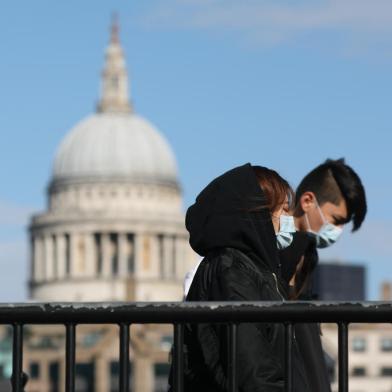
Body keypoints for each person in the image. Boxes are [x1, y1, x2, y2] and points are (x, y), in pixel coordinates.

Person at [169, 163, 311, 392]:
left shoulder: (257, 271)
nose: (289, 219)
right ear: (259, 212)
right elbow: (251, 368)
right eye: (284, 209)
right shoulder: (231, 270)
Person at [279, 158, 367, 392]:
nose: (336, 232)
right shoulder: (268, 248)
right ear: (308, 201)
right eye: (336, 220)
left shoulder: (308, 257)